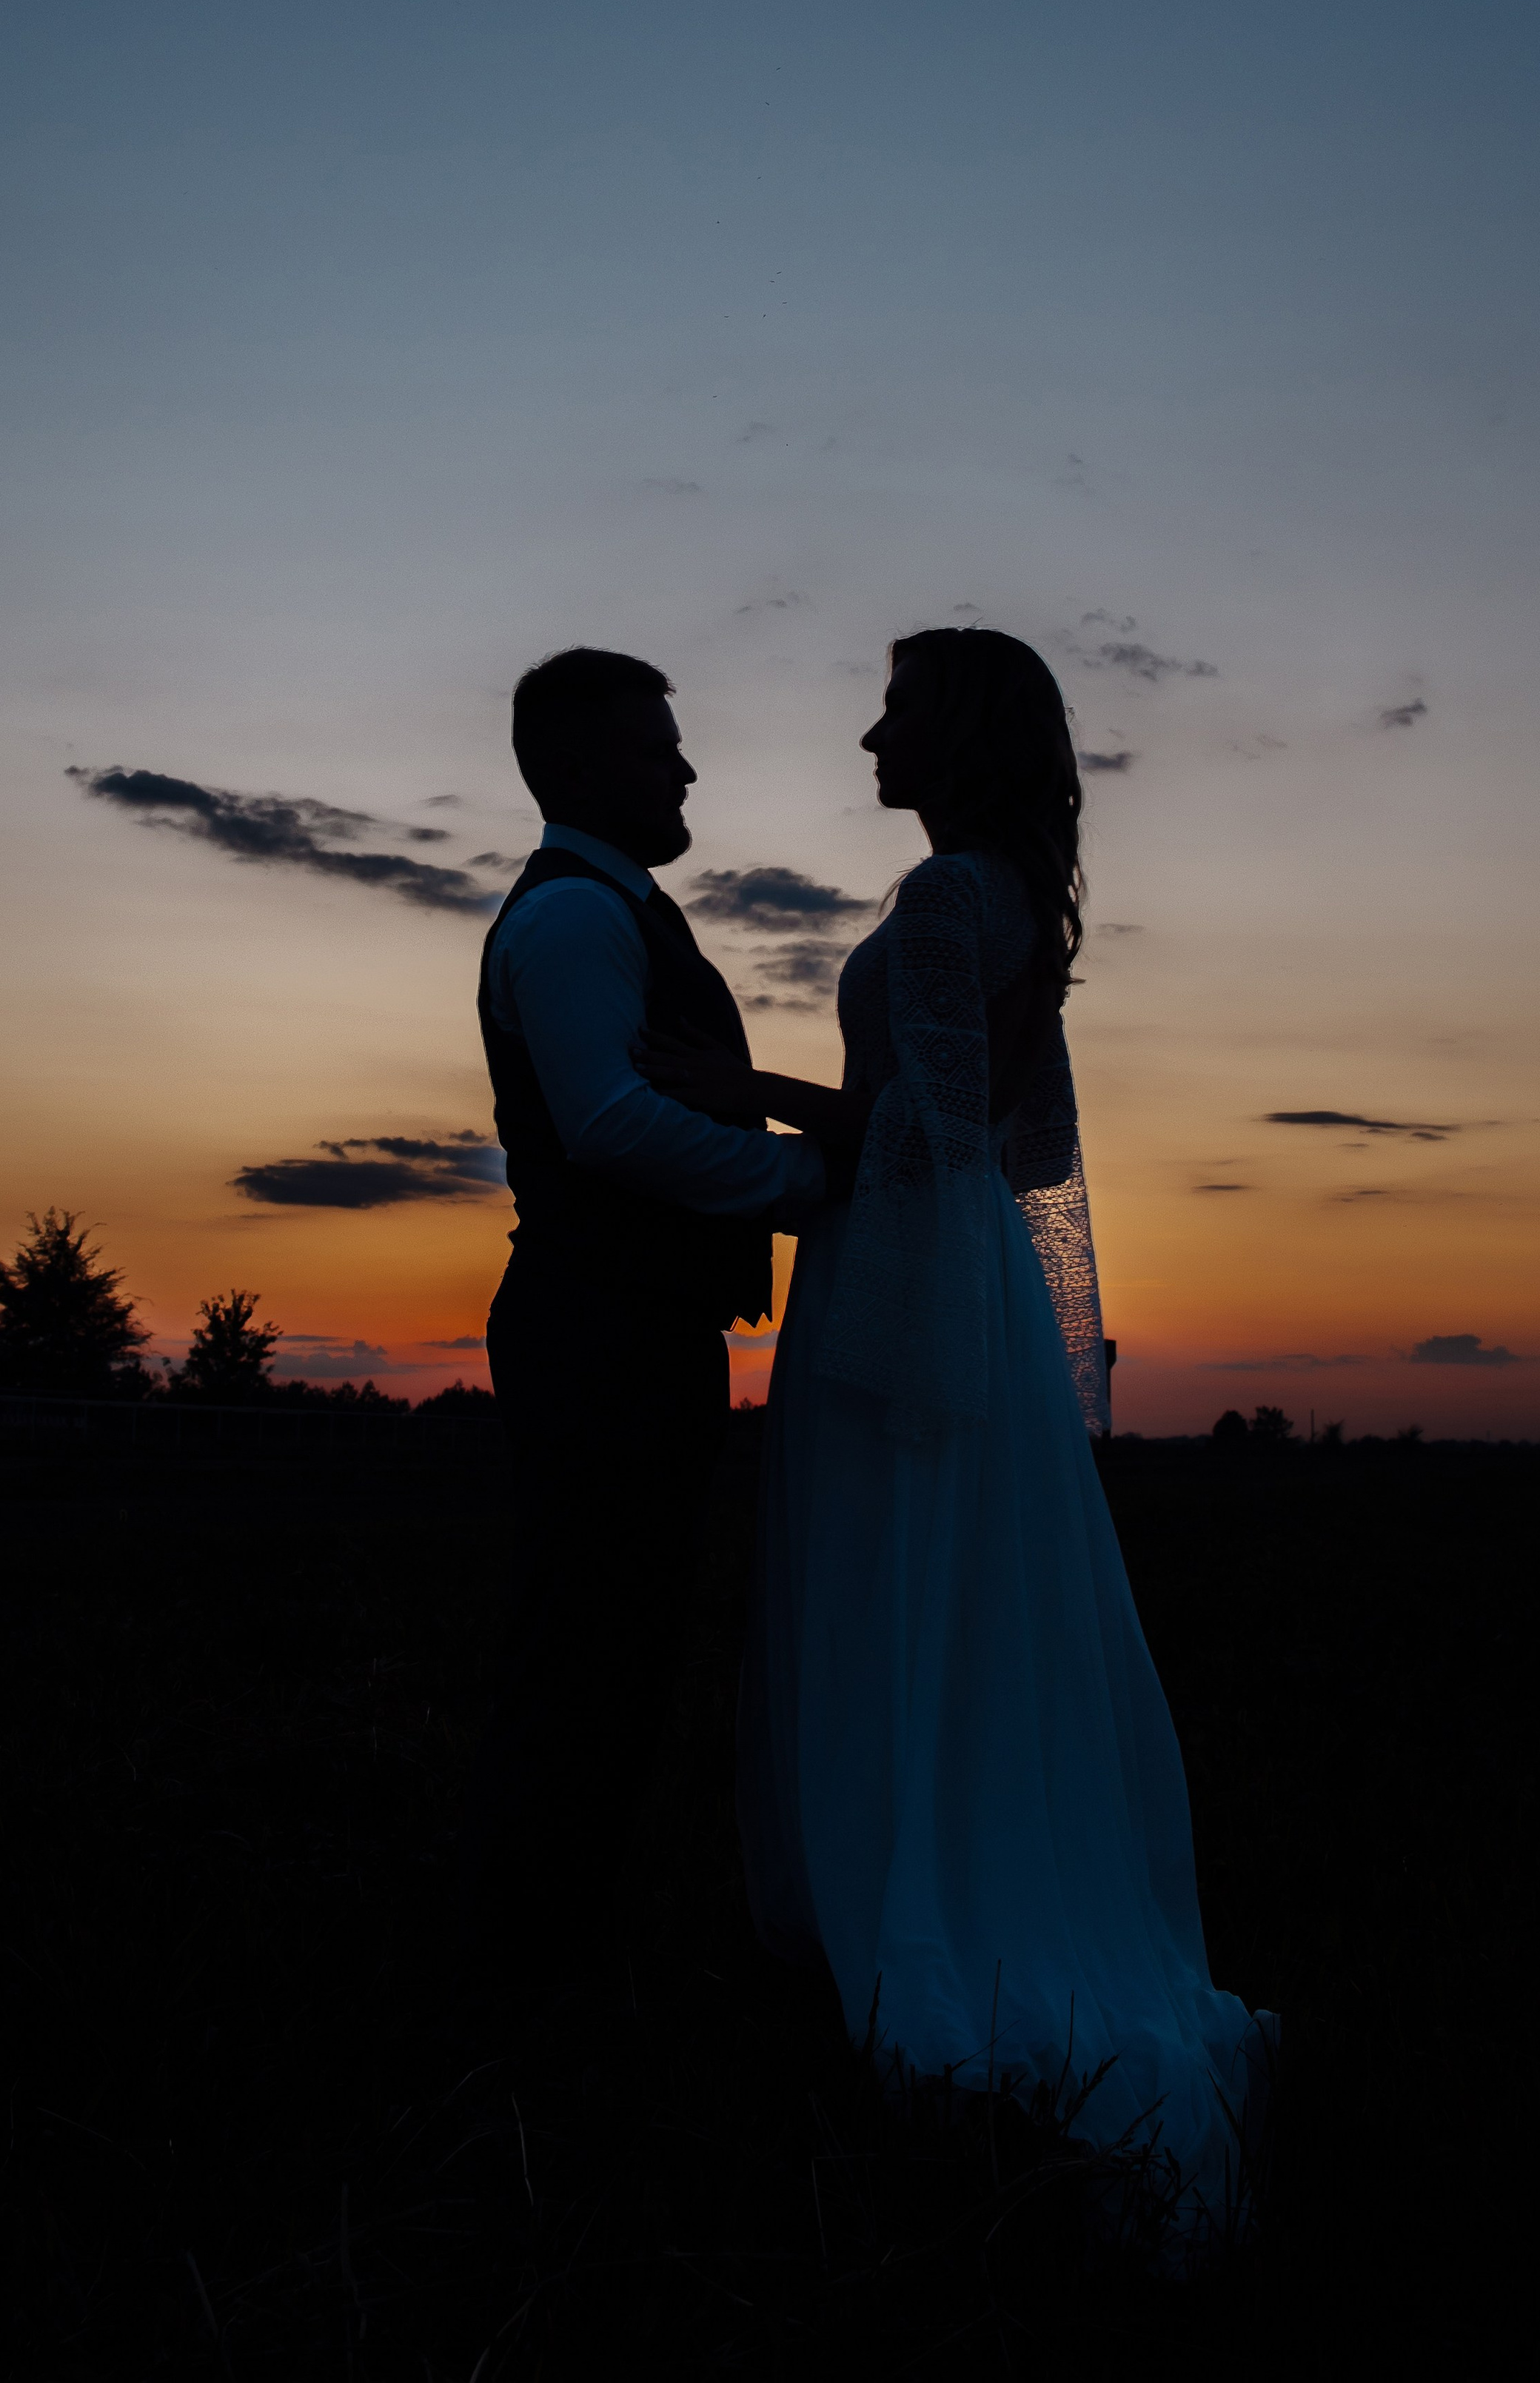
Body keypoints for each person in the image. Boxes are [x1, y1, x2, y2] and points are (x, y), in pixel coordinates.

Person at [638, 627, 1276, 2262]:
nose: (868, 732)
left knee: (890, 1584)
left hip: (904, 1267)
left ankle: (911, 1900)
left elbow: (924, 1128)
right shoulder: (1007, 899)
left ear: (959, 733)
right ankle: (947, 1850)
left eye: (897, 708)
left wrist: (734, 1084)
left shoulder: (943, 904)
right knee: (946, 1594)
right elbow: (1027, 1137)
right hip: (961, 1267)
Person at [455, 648, 828, 2002]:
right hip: (600, 1328)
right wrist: (813, 1188)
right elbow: (608, 1125)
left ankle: (547, 1950)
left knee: (615, 1645)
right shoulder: (571, 920)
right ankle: (523, 1976)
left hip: (635, 1325)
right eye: (658, 745)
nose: (684, 767)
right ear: (577, 766)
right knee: (587, 1651)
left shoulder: (617, 912)